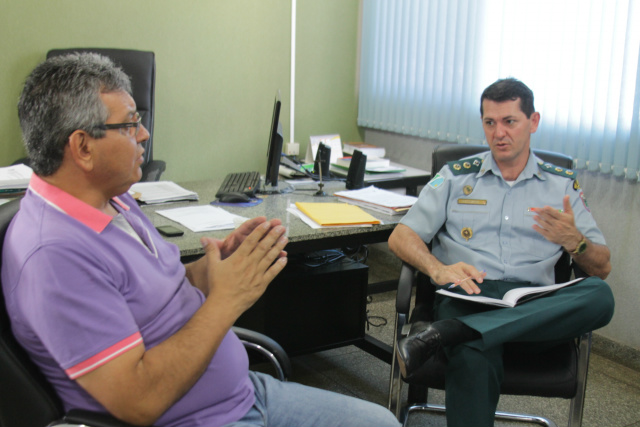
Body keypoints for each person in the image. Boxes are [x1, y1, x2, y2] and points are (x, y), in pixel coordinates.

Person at [1, 53, 400, 427]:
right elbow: (138, 400)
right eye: (128, 124)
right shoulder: (55, 256)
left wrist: (209, 271)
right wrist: (227, 300)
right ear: (82, 147)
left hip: (240, 394)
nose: (144, 134)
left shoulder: (113, 198)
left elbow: (153, 292)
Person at [388, 78, 614, 427]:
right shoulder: (456, 177)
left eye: (510, 121)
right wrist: (436, 270)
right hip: (469, 293)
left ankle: (454, 331)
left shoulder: (560, 185)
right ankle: (463, 331)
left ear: (533, 122)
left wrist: (576, 242)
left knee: (600, 296)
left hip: (536, 305)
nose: (499, 133)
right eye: (490, 122)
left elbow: (602, 267)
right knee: (473, 354)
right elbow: (402, 236)